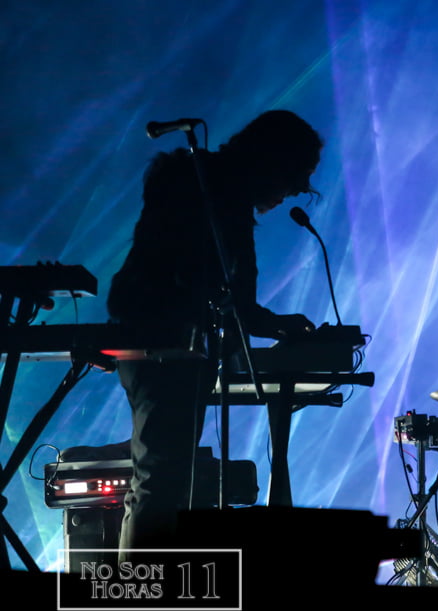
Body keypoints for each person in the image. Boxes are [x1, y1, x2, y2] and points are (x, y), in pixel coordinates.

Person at [108, 110, 322, 553]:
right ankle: (140, 588)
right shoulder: (203, 184)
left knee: (165, 478)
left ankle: (149, 581)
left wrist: (273, 323)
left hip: (174, 344)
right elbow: (183, 271)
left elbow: (237, 298)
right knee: (161, 478)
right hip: (161, 343)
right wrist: (274, 324)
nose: (291, 192)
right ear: (273, 162)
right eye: (293, 180)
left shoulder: (221, 192)